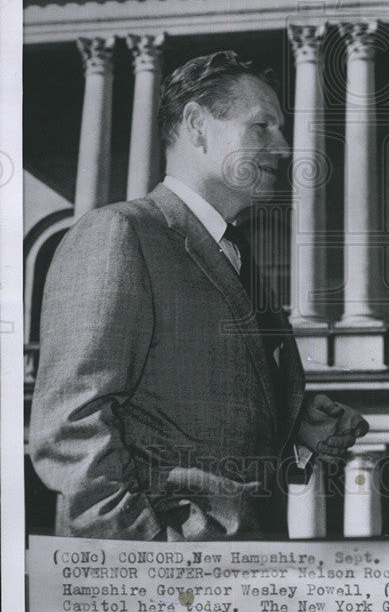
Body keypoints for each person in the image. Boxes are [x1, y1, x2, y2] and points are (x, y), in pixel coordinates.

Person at [30, 50, 368, 540]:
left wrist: (296, 431)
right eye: (262, 126)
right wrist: (156, 549)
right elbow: (68, 429)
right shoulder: (120, 233)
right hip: (167, 586)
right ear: (197, 125)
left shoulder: (234, 253)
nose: (285, 146)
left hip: (240, 573)